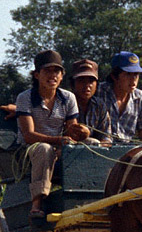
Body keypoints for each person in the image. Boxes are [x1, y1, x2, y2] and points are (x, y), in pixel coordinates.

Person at [14, 50, 79, 219]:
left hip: (59, 149)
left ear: (62, 76)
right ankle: (37, 203)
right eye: (47, 71)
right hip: (29, 151)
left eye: (56, 71)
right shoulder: (25, 98)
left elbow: (73, 130)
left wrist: (80, 134)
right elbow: (29, 135)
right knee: (44, 149)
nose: (53, 76)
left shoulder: (68, 98)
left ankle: (85, 197)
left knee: (92, 144)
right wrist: (59, 141)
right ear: (36, 75)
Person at [96, 51, 142, 142]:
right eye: (128, 74)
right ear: (114, 77)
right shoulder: (98, 91)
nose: (133, 80)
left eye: (136, 74)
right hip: (98, 148)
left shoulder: (141, 98)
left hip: (126, 150)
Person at [69, 58, 112, 145]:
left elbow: (107, 137)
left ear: (96, 84)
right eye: (81, 81)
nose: (87, 86)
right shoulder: (66, 103)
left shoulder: (99, 106)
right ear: (72, 84)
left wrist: (101, 146)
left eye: (91, 81)